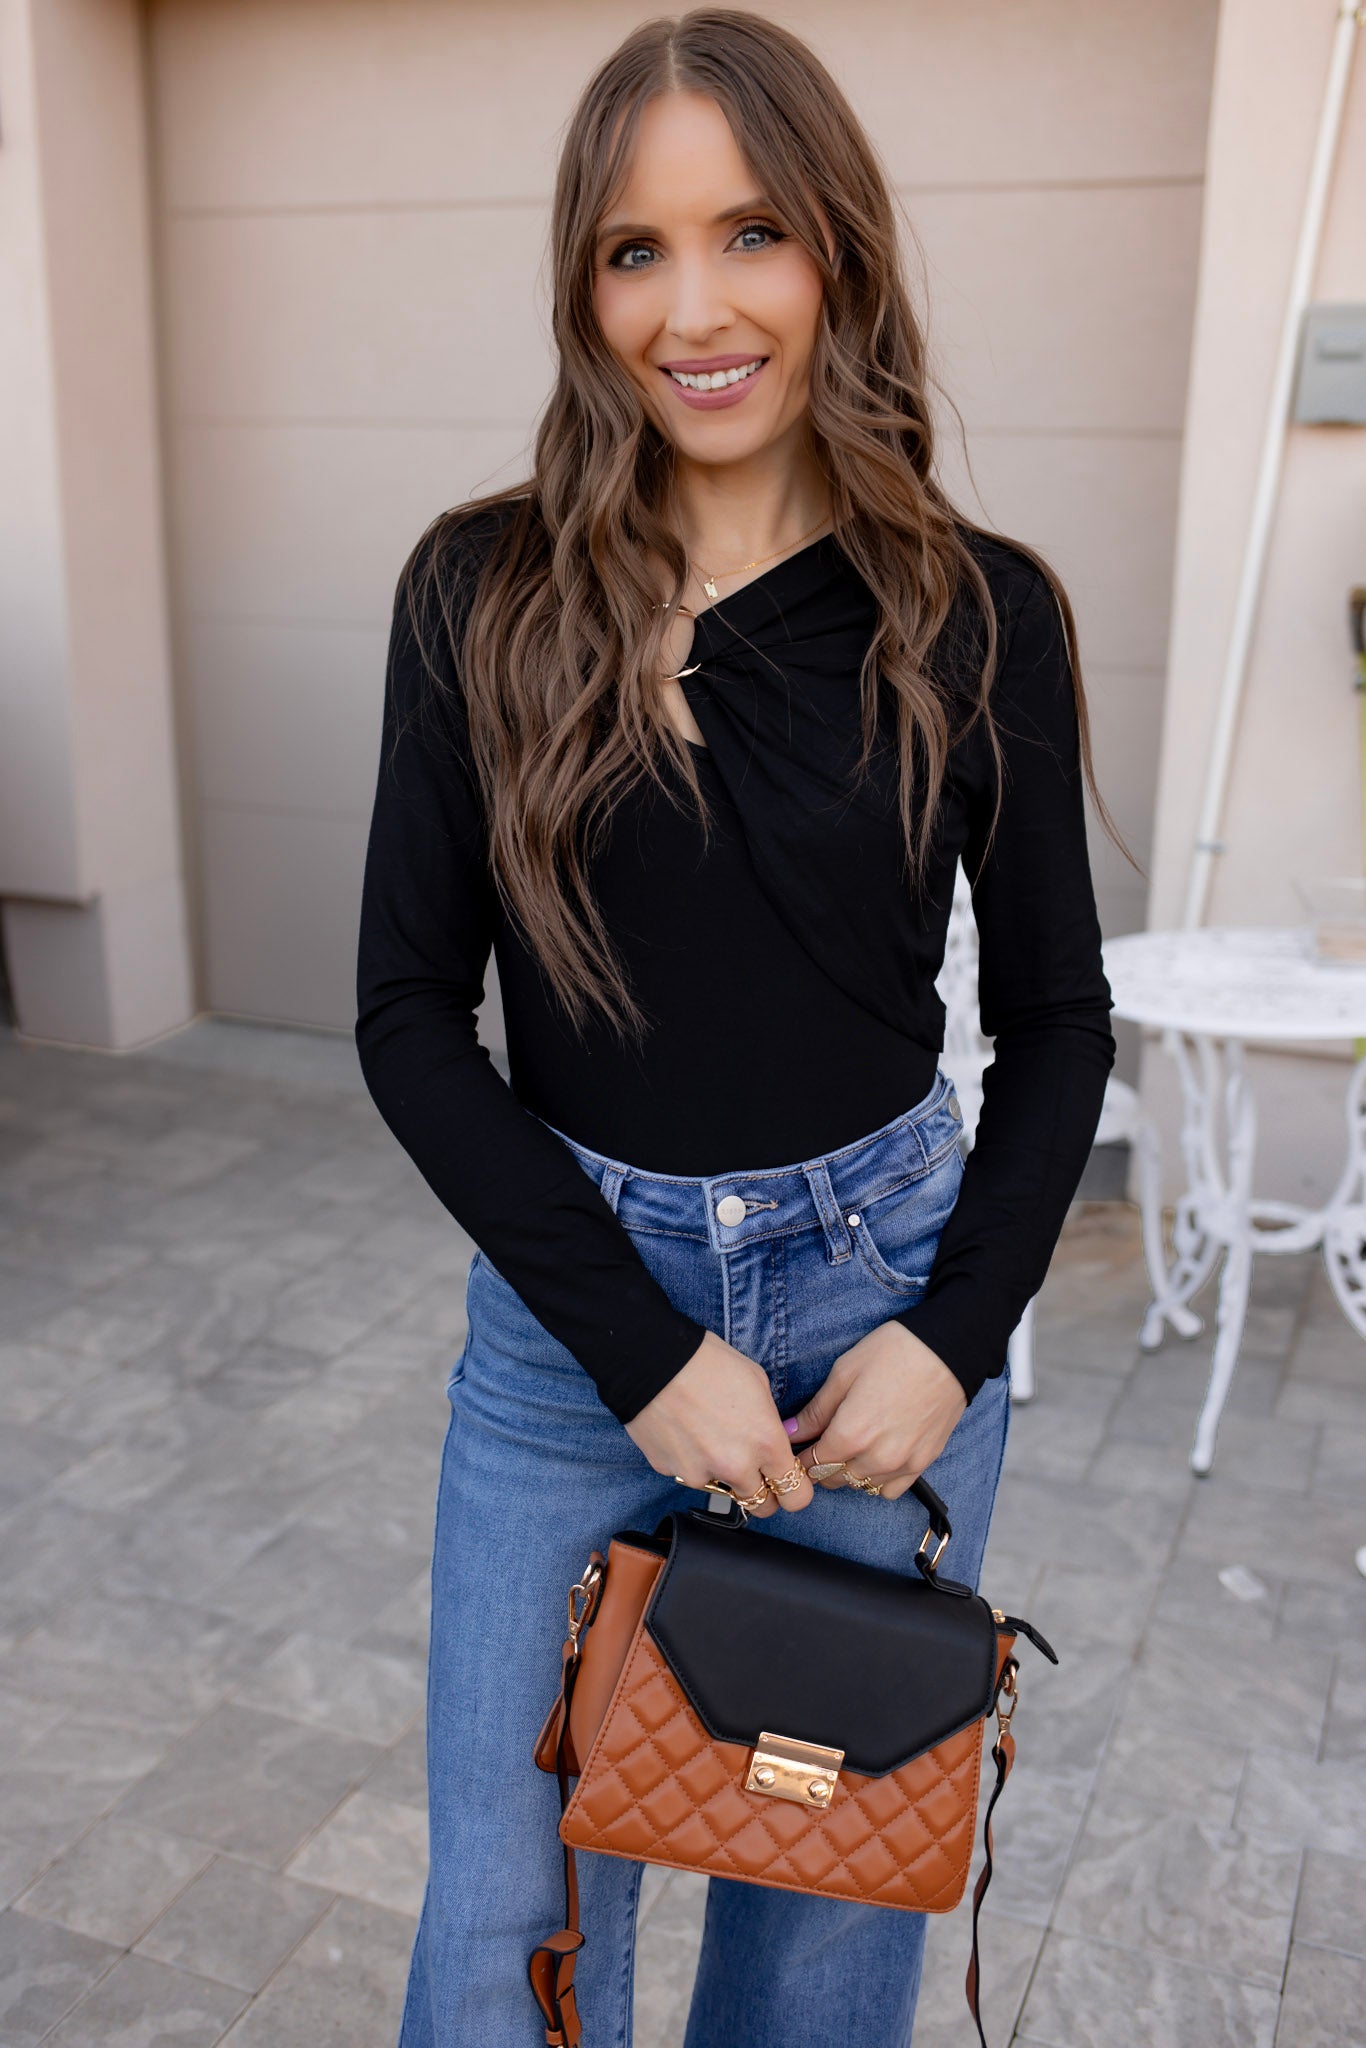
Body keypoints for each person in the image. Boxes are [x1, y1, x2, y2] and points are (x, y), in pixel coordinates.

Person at [355, 11, 1124, 2045]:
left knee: (818, 1926)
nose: (692, 310)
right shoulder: (478, 591)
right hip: (566, 1341)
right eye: (634, 250)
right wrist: (638, 1347)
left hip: (874, 1322)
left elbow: (1055, 1018)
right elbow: (407, 1015)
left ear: (834, 251)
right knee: (504, 1916)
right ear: (582, 285)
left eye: (749, 233)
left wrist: (953, 1339)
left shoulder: (976, 612)